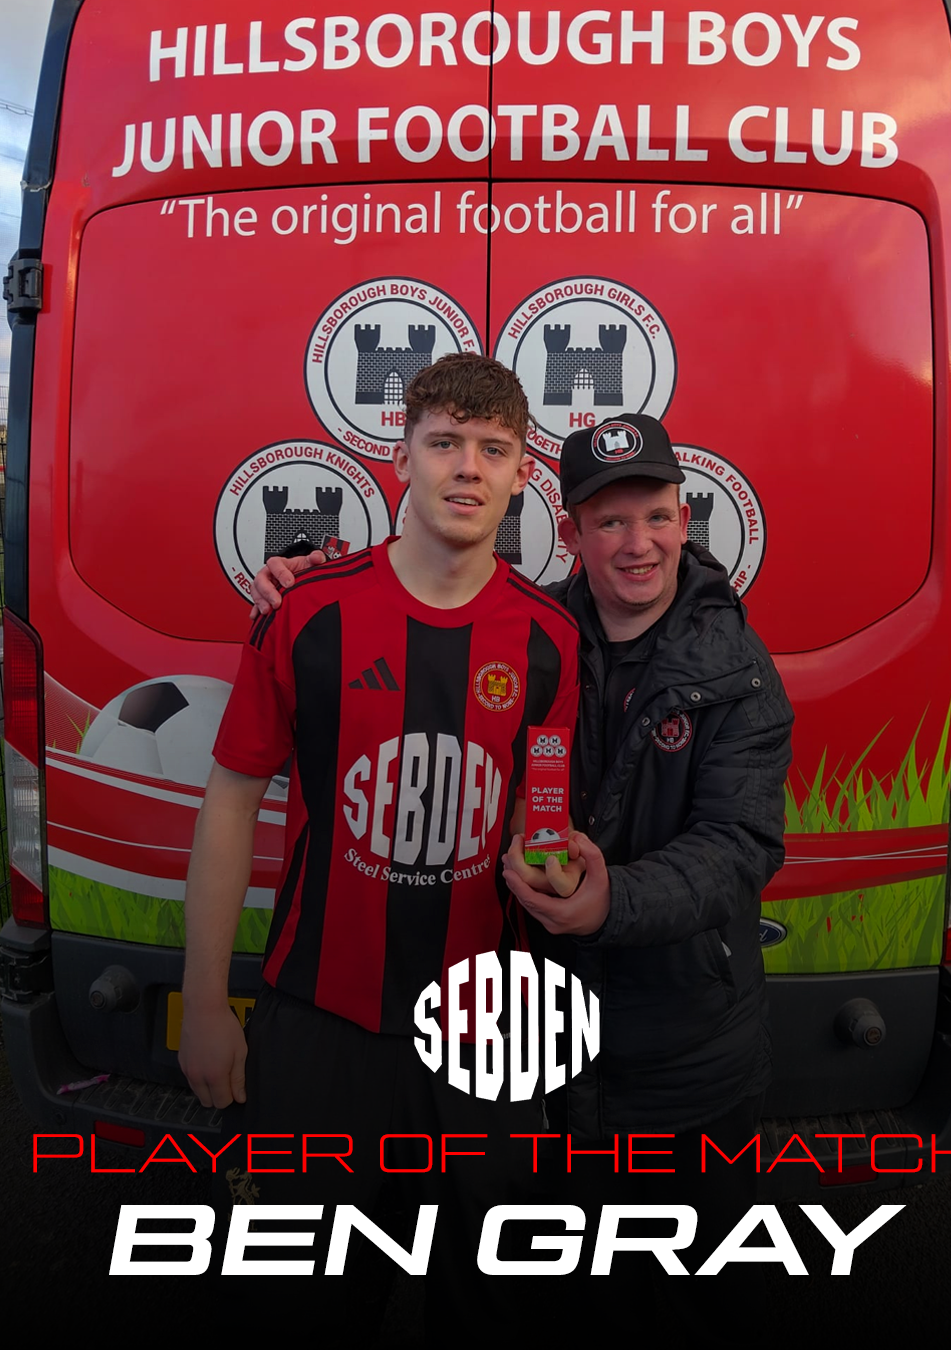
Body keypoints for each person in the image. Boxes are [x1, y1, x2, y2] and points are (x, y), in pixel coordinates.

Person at [252, 411, 793, 1300]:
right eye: (609, 521)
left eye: (655, 515)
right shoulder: (536, 628)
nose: (636, 544)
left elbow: (740, 844)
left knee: (687, 1296)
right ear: (571, 531)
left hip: (683, 1052)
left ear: (685, 520)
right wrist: (299, 575)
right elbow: (419, 600)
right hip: (534, 1048)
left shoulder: (736, 667)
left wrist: (613, 899)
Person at [180, 353, 579, 1329]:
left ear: (525, 471)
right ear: (401, 457)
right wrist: (202, 1003)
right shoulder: (307, 613)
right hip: (320, 1027)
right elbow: (230, 803)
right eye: (444, 443)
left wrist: (556, 859)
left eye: (493, 449)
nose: (468, 468)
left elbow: (545, 818)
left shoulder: (547, 639)